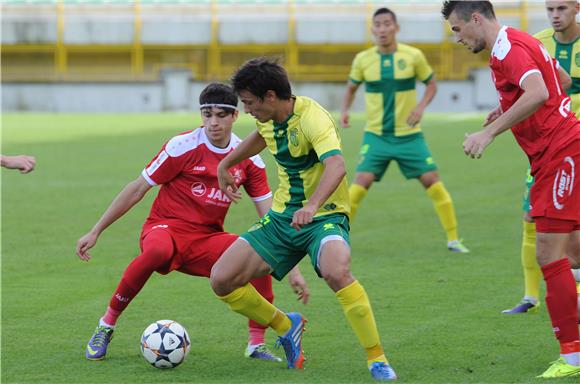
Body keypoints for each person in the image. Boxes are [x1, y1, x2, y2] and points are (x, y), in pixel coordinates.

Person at [76, 83, 309, 362]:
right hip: (165, 228)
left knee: (257, 252)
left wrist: (292, 269)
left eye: (221, 115)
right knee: (157, 252)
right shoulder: (182, 146)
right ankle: (106, 326)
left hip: (206, 239)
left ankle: (256, 343)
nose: (213, 122)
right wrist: (96, 230)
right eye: (207, 114)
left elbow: (270, 217)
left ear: (235, 116)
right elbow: (138, 188)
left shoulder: (249, 160)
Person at [209, 58, 397, 382]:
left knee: (338, 271)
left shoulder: (313, 118)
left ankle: (376, 358)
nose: (248, 110)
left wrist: (311, 206)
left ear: (270, 96)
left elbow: (337, 165)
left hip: (324, 216)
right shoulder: (268, 118)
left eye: (250, 103)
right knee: (222, 279)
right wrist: (225, 164)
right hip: (283, 218)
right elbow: (260, 136)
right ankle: (285, 325)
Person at [442, 1, 580, 378]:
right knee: (572, 254)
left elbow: (537, 92)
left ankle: (572, 356)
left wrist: (489, 132)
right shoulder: (518, 41)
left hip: (561, 153)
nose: (456, 38)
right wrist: (502, 110)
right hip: (558, 153)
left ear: (475, 18)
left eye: (456, 29)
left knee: (549, 255)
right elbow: (562, 82)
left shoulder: (509, 48)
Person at [340, 7, 469, 254]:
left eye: (387, 23)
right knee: (359, 184)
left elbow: (431, 83)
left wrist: (421, 107)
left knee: (433, 181)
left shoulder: (413, 56)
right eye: (377, 24)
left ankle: (453, 239)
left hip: (409, 136)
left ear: (396, 28)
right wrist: (345, 110)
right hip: (377, 136)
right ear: (372, 30)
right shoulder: (363, 60)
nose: (382, 29)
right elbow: (351, 87)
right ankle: (340, 239)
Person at [503, 0, 580, 315]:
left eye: (561, 8)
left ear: (576, 8)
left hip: (575, 146)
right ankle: (530, 297)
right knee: (530, 217)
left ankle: (570, 293)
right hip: (546, 150)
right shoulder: (538, 42)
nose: (555, 15)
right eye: (550, 9)